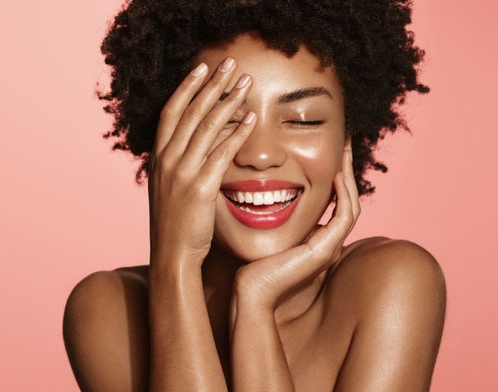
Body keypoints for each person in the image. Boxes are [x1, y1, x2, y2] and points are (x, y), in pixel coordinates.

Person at [63, 0, 446, 390]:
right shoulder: (110, 310)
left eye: (304, 120)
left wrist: (254, 301)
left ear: (346, 141)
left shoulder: (390, 282)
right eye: (225, 119)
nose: (260, 156)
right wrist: (175, 265)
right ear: (168, 143)